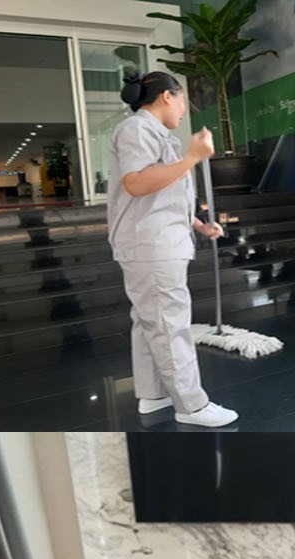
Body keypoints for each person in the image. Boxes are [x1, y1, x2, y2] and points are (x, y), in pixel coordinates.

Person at [108, 70, 236, 428]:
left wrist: (198, 224)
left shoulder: (156, 135)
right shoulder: (136, 130)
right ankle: (191, 406)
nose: (183, 111)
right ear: (168, 96)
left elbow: (164, 193)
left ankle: (154, 394)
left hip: (157, 240)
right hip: (150, 245)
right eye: (182, 102)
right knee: (168, 323)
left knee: (150, 321)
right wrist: (192, 157)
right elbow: (136, 183)